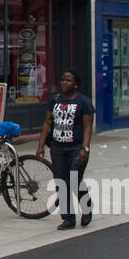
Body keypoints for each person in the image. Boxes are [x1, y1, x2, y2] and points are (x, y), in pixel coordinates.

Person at [37, 69, 95, 230]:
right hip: (57, 148)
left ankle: (87, 207)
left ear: (75, 85)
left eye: (68, 80)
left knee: (74, 179)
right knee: (61, 183)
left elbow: (87, 126)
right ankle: (68, 218)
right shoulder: (55, 100)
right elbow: (47, 123)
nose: (63, 82)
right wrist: (41, 146)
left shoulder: (84, 102)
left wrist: (85, 148)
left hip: (76, 147)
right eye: (62, 79)